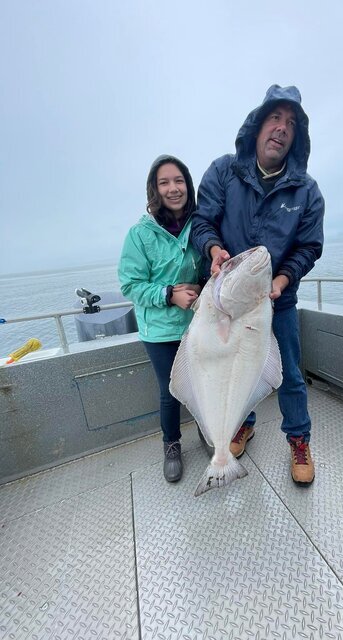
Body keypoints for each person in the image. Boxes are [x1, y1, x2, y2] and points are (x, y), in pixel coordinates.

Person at [191, 85, 325, 486]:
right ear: (257, 125)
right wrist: (214, 249)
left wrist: (284, 279)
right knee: (232, 369)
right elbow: (202, 222)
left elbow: (309, 247)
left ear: (297, 137)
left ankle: (299, 440)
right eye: (275, 118)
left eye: (291, 123)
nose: (282, 128)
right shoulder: (223, 171)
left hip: (274, 300)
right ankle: (241, 424)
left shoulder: (307, 191)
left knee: (289, 375)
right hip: (226, 298)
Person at [118, 155, 203, 483]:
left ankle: (206, 432)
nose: (173, 188)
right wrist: (169, 294)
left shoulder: (199, 225)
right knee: (171, 390)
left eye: (179, 180)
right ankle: (171, 445)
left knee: (199, 386)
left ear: (188, 185)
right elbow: (130, 285)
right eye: (164, 182)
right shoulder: (139, 234)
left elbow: (206, 270)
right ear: (154, 189)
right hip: (159, 331)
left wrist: (200, 286)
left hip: (195, 326)